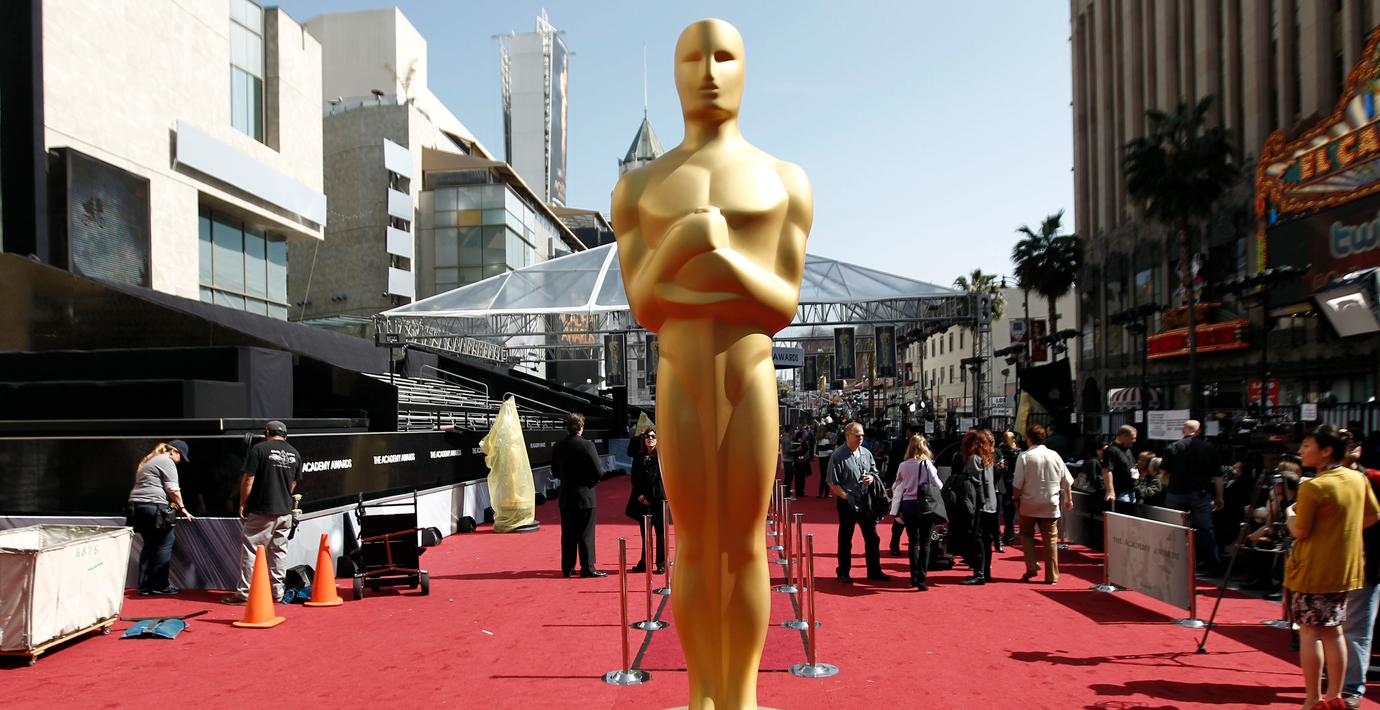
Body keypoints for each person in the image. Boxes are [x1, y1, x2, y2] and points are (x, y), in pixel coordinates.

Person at [1285, 424, 1380, 710]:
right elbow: (1372, 515)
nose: (1301, 451)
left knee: (1310, 632)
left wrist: (1289, 514)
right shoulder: (1357, 479)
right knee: (1334, 630)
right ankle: (1334, 695)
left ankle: (1313, 698)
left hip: (1313, 569)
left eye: (1307, 446)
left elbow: (1300, 530)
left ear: (1326, 451)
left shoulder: (1313, 486)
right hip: (1346, 568)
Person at [222, 421, 302, 605]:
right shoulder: (295, 453)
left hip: (262, 509)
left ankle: (245, 594)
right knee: (279, 552)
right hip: (285, 511)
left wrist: (243, 502)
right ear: (285, 436)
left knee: (251, 550)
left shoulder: (259, 449)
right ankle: (277, 593)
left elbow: (249, 478)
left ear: (267, 433)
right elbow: (293, 483)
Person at [126, 440, 194, 596]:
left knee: (149, 545)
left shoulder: (150, 461)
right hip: (154, 505)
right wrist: (182, 508)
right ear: (173, 451)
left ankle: (144, 587)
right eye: (181, 456)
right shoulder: (167, 461)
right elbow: (173, 489)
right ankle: (160, 585)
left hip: (137, 506)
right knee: (165, 542)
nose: (180, 461)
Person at [1343, 432, 1380, 708]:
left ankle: (1351, 686)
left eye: (1354, 444)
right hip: (1335, 562)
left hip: (1368, 562)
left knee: (1358, 627)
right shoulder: (1321, 481)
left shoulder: (1373, 478)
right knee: (1334, 627)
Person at [1012, 424, 1073, 585]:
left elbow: (1017, 483)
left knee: (1026, 534)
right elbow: (1066, 480)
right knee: (1050, 539)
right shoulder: (1054, 455)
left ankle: (1032, 565)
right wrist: (1069, 499)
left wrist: (1015, 499)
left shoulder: (1024, 456)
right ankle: (1052, 575)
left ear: (1029, 439)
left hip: (1029, 502)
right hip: (1050, 503)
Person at [1162, 420, 1225, 574]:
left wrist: (1169, 487)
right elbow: (1218, 476)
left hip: (1176, 493)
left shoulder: (1173, 447)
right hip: (1200, 494)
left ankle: (1174, 564)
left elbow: (1164, 473)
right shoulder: (1209, 448)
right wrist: (1220, 497)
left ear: (1183, 430)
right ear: (1199, 431)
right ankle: (1213, 566)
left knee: (1174, 530)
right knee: (1205, 529)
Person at [827, 421, 887, 583]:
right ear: (848, 435)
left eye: (862, 435)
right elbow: (832, 482)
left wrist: (871, 478)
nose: (860, 438)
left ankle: (874, 571)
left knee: (872, 538)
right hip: (847, 502)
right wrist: (846, 496)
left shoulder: (866, 453)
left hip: (866, 501)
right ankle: (843, 572)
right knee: (846, 539)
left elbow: (874, 471)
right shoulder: (838, 455)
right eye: (857, 435)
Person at [551, 412, 606, 578]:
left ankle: (567, 567)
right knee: (586, 533)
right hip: (585, 496)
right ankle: (587, 567)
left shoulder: (558, 446)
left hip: (566, 495)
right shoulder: (587, 445)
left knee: (568, 533)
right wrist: (589, 482)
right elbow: (599, 472)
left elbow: (555, 472)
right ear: (581, 427)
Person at [890, 434, 938, 590]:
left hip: (908, 505)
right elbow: (938, 484)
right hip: (925, 505)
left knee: (913, 542)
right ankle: (921, 578)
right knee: (925, 542)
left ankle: (914, 577)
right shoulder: (927, 464)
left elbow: (896, 485)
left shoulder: (903, 465)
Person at [959, 430, 1000, 585]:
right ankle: (985, 572)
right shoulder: (988, 459)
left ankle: (979, 573)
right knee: (986, 540)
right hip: (991, 504)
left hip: (980, 505)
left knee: (978, 539)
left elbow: (974, 484)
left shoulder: (974, 460)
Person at [625, 427, 667, 574]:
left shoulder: (662, 457)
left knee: (660, 533)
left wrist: (651, 497)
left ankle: (661, 563)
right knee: (645, 533)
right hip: (642, 501)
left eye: (653, 436)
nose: (650, 439)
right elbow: (635, 478)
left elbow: (661, 480)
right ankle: (645, 562)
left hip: (658, 500)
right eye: (648, 436)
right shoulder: (639, 456)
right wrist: (641, 496)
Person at [998, 431, 1021, 545]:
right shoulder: (1017, 452)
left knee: (1000, 510)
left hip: (1001, 481)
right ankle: (1009, 536)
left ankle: (999, 536)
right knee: (1010, 511)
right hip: (1012, 481)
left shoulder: (999, 450)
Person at [1106, 425, 1139, 505]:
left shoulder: (1127, 449)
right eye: (1132, 438)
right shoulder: (1112, 450)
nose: (1134, 441)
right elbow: (1107, 470)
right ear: (1123, 436)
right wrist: (1110, 491)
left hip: (1132, 491)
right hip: (1121, 493)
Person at [789, 428, 812, 498]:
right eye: (803, 436)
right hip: (799, 462)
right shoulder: (796, 443)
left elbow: (805, 449)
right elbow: (796, 451)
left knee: (800, 478)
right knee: (799, 478)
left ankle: (800, 491)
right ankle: (799, 491)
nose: (804, 437)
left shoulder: (801, 442)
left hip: (801, 462)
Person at [815, 425, 836, 497]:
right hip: (826, 459)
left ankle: (820, 493)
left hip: (821, 459)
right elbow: (828, 451)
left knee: (822, 477)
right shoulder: (826, 441)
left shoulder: (818, 441)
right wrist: (833, 450)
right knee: (827, 477)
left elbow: (820, 451)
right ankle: (826, 493)